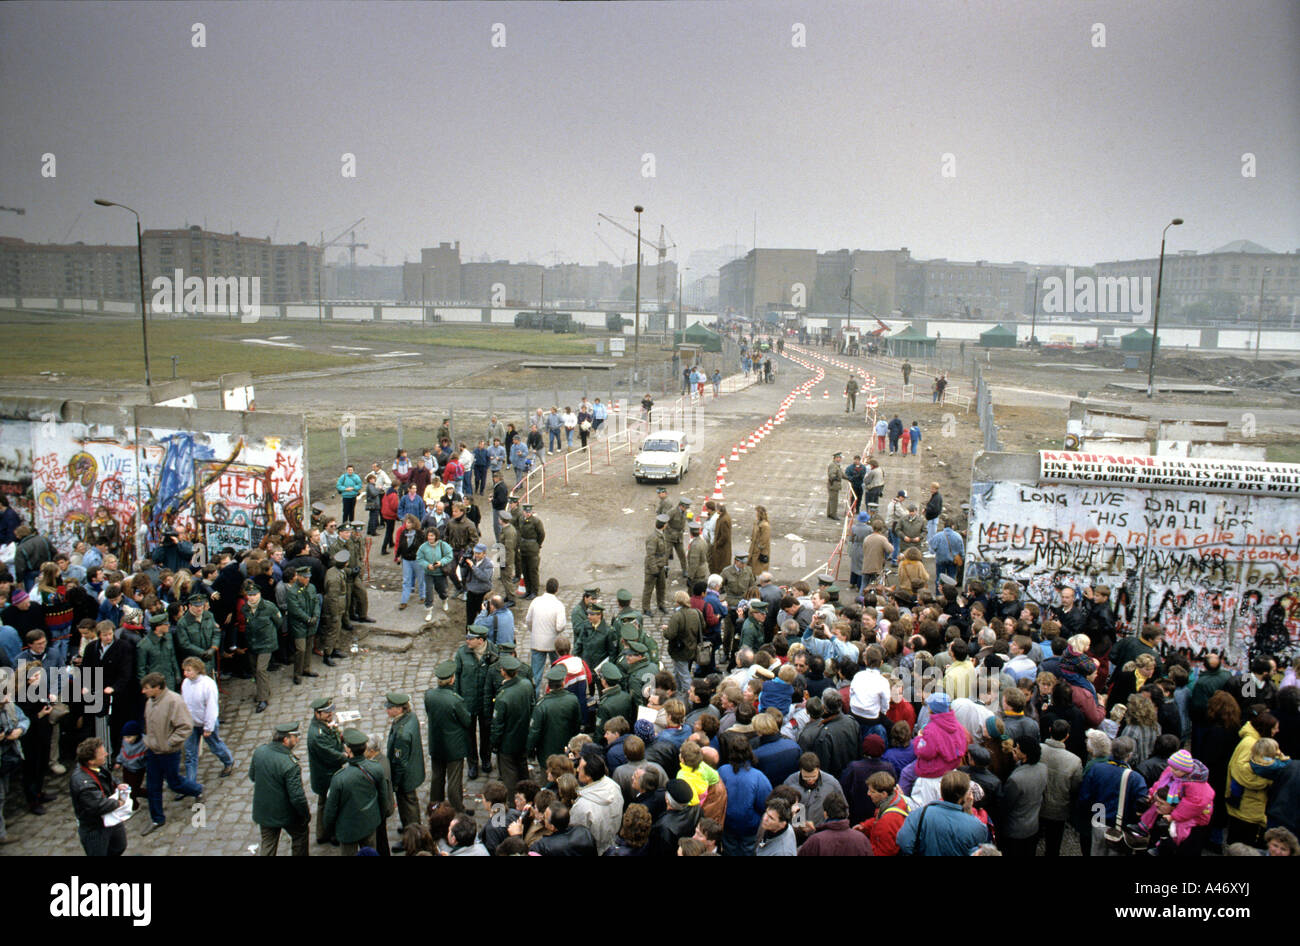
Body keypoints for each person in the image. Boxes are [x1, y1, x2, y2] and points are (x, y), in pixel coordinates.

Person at [139, 671, 203, 836]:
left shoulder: (174, 701)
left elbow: (185, 726)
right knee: (153, 785)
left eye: (146, 688)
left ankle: (196, 789)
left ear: (157, 688)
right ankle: (157, 818)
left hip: (169, 752)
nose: (143, 692)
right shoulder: (150, 702)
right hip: (153, 751)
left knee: (174, 783)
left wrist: (170, 742)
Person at [323, 728, 395, 856]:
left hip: (347, 829)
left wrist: (330, 829)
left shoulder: (339, 778)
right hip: (370, 823)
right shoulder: (376, 767)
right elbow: (384, 799)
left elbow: (330, 810)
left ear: (348, 750)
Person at [896, 770, 990, 855]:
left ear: (942, 791)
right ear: (964, 797)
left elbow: (903, 841)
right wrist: (969, 810)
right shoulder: (977, 826)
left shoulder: (919, 814)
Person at [425, 660, 473, 813]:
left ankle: (435, 806)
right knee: (454, 780)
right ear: (452, 679)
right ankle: (457, 807)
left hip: (436, 743)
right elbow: (467, 721)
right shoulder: (455, 700)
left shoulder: (429, 695)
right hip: (454, 746)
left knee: (437, 777)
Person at [70, 737, 130, 857]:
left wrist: (118, 784)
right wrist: (119, 803)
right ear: (91, 761)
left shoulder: (96, 767)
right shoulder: (82, 783)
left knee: (119, 846)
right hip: (95, 828)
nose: (107, 754)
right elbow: (97, 805)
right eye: (102, 754)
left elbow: (108, 777)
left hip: (110, 819)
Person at [180, 657, 235, 784]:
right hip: (191, 724)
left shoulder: (208, 684)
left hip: (206, 723)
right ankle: (190, 784)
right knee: (190, 755)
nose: (185, 673)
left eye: (189, 670)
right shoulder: (186, 684)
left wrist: (208, 727)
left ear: (198, 670)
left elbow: (211, 708)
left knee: (215, 746)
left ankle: (228, 761)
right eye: (185, 670)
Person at [385, 692, 425, 831]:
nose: (387, 710)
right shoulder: (411, 717)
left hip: (405, 776)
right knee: (409, 802)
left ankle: (413, 831)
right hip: (413, 768)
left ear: (399, 709)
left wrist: (395, 782)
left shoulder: (402, 734)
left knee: (407, 803)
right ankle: (409, 826)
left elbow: (399, 761)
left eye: (390, 708)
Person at [826, 452, 843, 520]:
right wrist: (835, 477)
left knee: (831, 499)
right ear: (834, 458)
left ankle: (830, 513)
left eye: (840, 458)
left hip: (835, 485)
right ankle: (833, 514)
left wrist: (848, 478)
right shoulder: (833, 465)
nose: (839, 459)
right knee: (834, 500)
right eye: (837, 458)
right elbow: (831, 475)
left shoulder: (837, 465)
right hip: (833, 485)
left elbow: (841, 473)